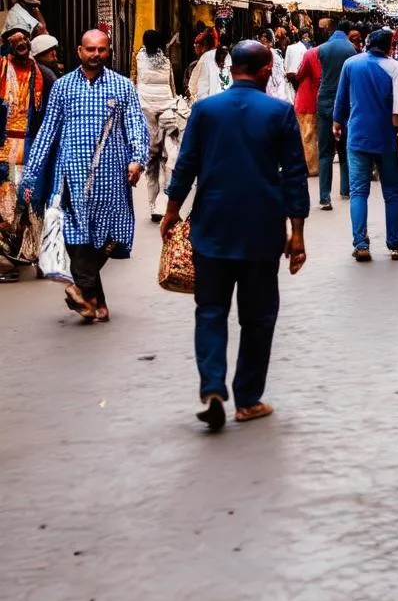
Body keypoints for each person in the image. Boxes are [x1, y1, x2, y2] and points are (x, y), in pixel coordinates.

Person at [163, 40, 309, 430]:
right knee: (258, 316)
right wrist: (297, 234)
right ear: (264, 72)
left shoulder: (206, 110)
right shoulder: (280, 112)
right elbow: (295, 175)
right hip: (262, 232)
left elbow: (185, 165)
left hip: (211, 228)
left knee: (210, 311)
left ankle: (212, 387)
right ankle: (247, 399)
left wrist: (172, 212)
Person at [21, 30, 149, 322]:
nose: (95, 55)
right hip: (72, 177)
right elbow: (47, 132)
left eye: (101, 50)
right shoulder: (63, 88)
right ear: (79, 51)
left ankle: (81, 288)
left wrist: (137, 160)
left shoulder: (122, 86)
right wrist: (31, 175)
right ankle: (96, 303)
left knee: (114, 234)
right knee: (77, 239)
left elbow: (136, 126)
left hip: (113, 177)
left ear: (109, 52)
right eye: (90, 49)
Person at [333, 28, 398, 261]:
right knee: (392, 193)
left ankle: (361, 244)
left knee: (358, 192)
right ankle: (394, 244)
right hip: (385, 138)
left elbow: (341, 98)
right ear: (390, 46)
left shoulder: (350, 64)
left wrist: (337, 122)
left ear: (367, 43)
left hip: (357, 135)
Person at [0, 25, 52, 277]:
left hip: (33, 148)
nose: (21, 43)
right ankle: (5, 256)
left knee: (32, 202)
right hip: (4, 148)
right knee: (5, 205)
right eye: (15, 41)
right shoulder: (1, 70)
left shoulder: (43, 75)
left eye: (24, 40)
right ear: (7, 46)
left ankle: (32, 253)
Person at [135, 30, 177, 223]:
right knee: (169, 158)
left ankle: (154, 204)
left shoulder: (139, 58)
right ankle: (163, 200)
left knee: (151, 160)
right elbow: (172, 86)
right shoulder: (166, 61)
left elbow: (134, 81)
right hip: (167, 110)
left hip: (146, 110)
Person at [316, 19, 357, 209]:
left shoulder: (322, 49)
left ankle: (325, 196)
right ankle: (346, 189)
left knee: (325, 152)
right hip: (345, 102)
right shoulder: (351, 50)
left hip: (324, 100)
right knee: (344, 149)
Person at [293, 42, 321, 176]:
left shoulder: (309, 56)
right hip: (317, 100)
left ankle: (311, 167)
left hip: (306, 101)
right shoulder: (322, 58)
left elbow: (299, 74)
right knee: (315, 135)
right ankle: (315, 165)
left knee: (307, 135)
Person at [191, 30, 232, 101]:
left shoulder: (205, 58)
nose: (195, 48)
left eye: (196, 44)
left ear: (205, 46)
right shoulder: (226, 55)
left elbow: (193, 86)